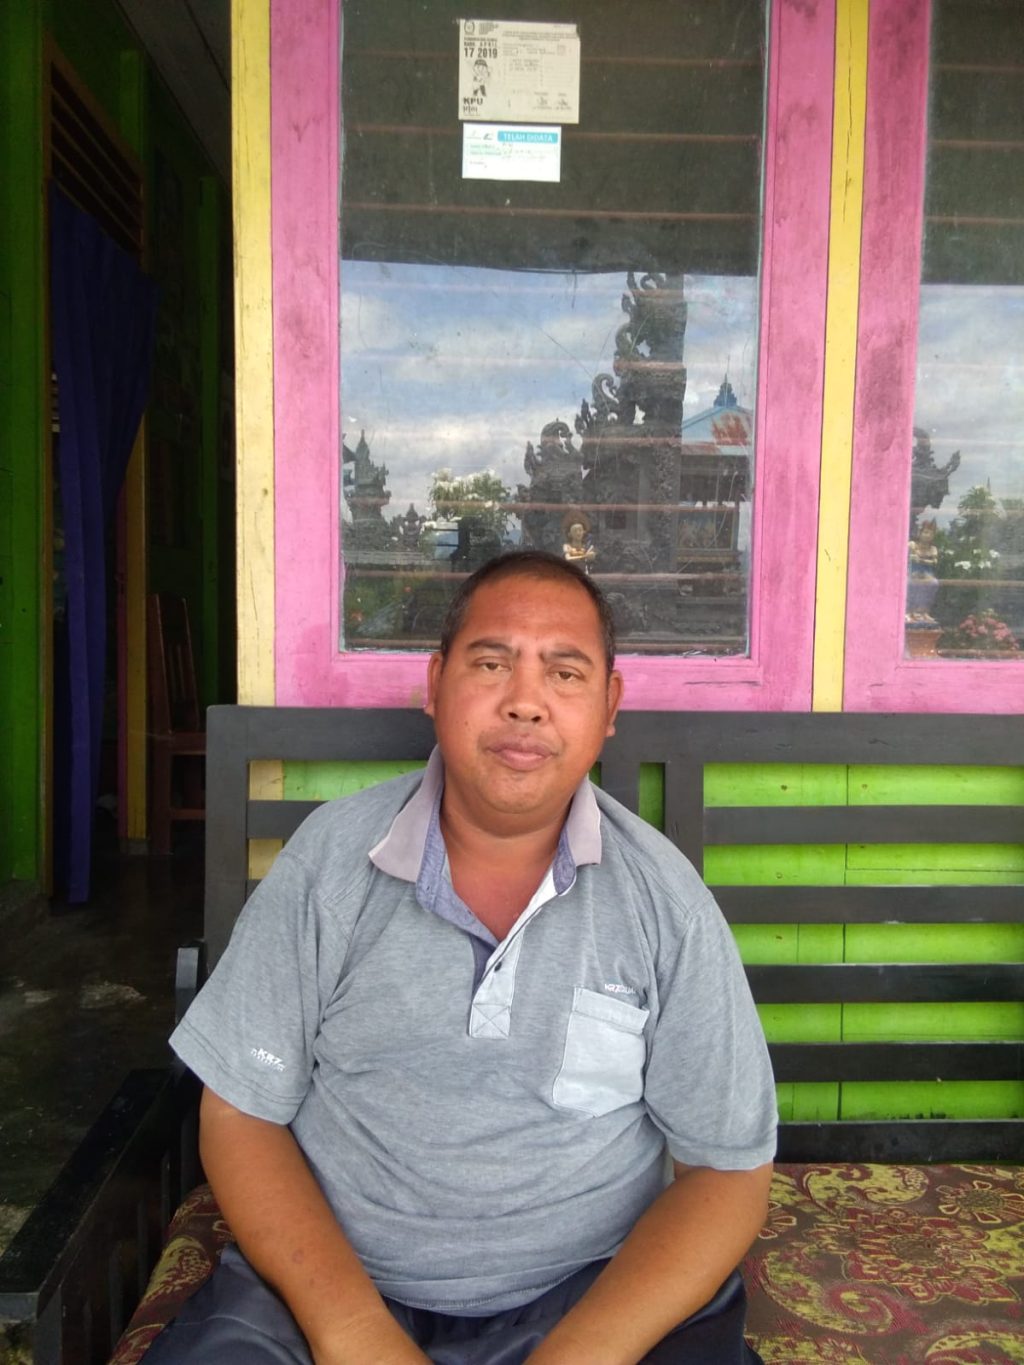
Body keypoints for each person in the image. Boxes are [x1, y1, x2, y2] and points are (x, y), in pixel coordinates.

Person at [147, 551, 777, 1365]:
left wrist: (577, 1356)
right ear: (435, 683)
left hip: (589, 1295)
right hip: (332, 1290)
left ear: (609, 705)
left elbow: (726, 1169)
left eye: (565, 673)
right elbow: (239, 1112)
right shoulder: (331, 864)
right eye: (490, 663)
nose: (525, 701)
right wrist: (354, 1333)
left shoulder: (663, 901)